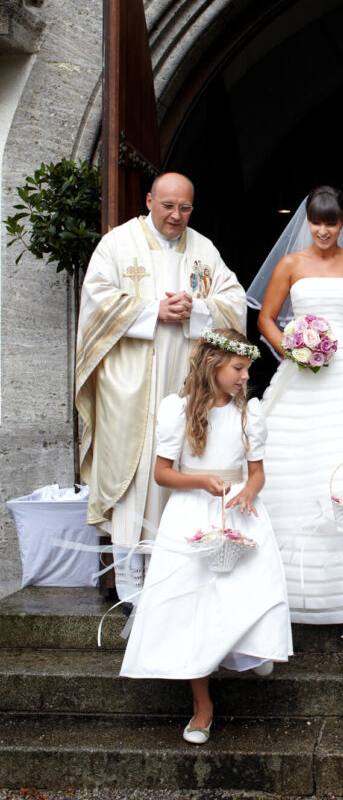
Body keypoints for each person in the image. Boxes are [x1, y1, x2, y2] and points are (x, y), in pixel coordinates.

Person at [75, 173, 247, 599]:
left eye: (185, 208)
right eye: (168, 206)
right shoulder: (118, 244)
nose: (176, 216)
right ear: (149, 200)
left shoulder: (203, 249)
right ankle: (131, 593)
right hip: (130, 386)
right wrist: (154, 310)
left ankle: (167, 586)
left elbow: (235, 300)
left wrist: (198, 308)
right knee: (134, 481)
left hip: (185, 384)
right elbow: (96, 300)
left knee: (178, 474)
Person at [120, 328, 292, 745]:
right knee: (194, 604)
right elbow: (162, 474)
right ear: (213, 365)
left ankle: (256, 647)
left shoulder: (249, 413)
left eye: (247, 368)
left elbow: (256, 473)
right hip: (193, 512)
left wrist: (248, 492)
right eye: (237, 368)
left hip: (238, 512)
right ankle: (202, 706)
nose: (244, 376)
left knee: (247, 590)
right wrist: (200, 482)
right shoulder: (177, 411)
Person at [249, 185, 343, 624]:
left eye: (331, 223)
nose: (322, 231)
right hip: (303, 372)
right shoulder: (290, 264)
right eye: (316, 223)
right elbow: (265, 317)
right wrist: (294, 349)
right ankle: (294, 588)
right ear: (308, 222)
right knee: (298, 462)